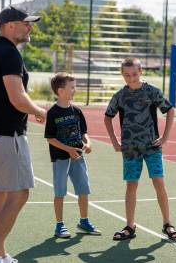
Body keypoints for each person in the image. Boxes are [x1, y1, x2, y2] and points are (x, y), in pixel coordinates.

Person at [0, 5, 46, 263]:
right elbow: (18, 97)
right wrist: (41, 112)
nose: (30, 27)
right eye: (26, 23)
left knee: (0, 194)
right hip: (7, 135)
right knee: (20, 193)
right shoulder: (10, 53)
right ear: (10, 25)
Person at [104, 57, 176, 241]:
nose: (130, 78)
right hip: (130, 149)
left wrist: (165, 137)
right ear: (122, 75)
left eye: (134, 74)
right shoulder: (120, 96)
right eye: (127, 75)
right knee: (131, 185)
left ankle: (167, 224)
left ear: (141, 72)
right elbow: (108, 117)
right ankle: (130, 225)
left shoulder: (151, 91)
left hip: (152, 147)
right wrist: (115, 141)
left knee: (158, 183)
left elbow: (170, 110)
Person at [44, 73, 101, 238]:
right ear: (60, 91)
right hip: (60, 158)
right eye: (72, 87)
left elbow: (84, 133)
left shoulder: (77, 111)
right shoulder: (53, 113)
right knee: (60, 192)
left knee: (83, 189)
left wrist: (88, 143)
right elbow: (50, 138)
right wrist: (67, 149)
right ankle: (59, 225)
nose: (74, 90)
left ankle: (84, 221)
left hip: (78, 157)